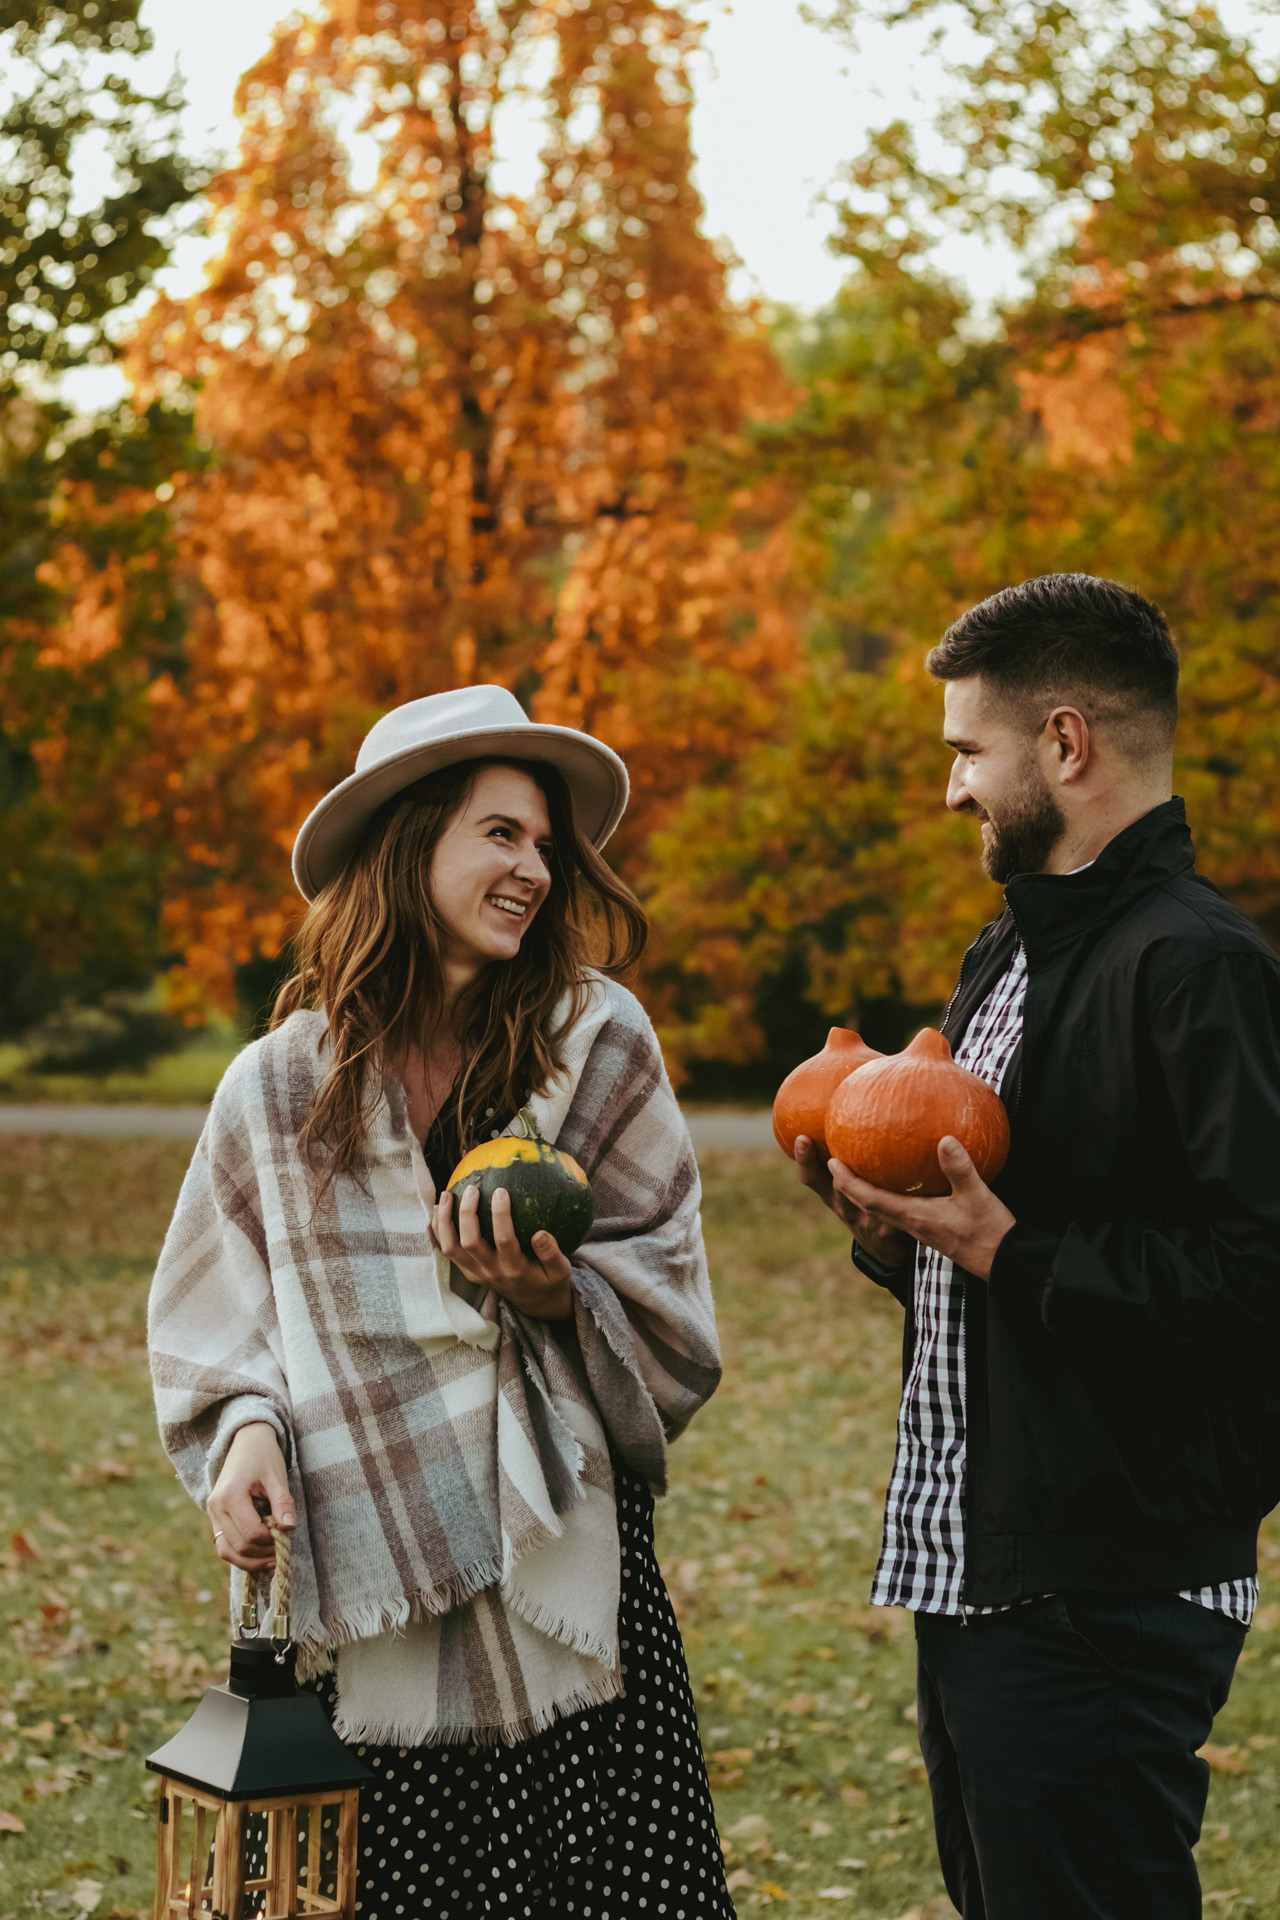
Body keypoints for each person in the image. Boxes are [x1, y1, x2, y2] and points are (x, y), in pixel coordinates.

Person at [149, 684, 733, 1920]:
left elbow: (671, 1301)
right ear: (410, 845)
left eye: (543, 843)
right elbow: (218, 1325)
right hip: (362, 1599)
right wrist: (245, 1432)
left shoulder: (598, 1044)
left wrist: (559, 1297)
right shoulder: (278, 1089)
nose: (534, 868)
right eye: (500, 834)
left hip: (563, 1585)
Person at [793, 574, 1280, 1920]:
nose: (952, 789)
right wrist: (893, 1233)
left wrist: (1018, 1252)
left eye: (968, 750)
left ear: (1066, 745)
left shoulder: (1197, 966)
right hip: (976, 1558)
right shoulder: (1006, 956)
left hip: (1110, 1584)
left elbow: (1254, 1279)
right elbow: (993, 1245)